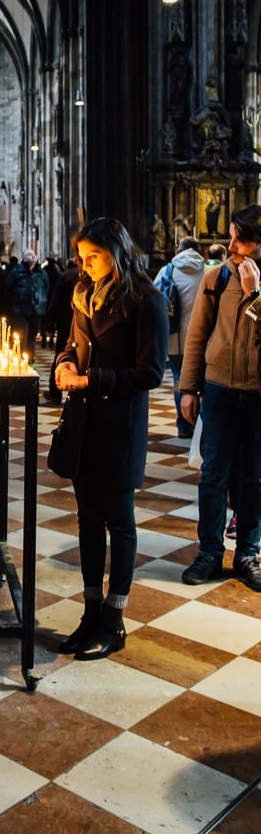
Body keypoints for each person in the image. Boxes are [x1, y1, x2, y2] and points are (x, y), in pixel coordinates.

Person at [54, 217, 168, 660]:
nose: (86, 265)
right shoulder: (82, 296)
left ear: (116, 252)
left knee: (118, 521)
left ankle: (114, 618)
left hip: (119, 426)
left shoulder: (147, 300)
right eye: (82, 258)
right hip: (84, 425)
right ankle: (90, 611)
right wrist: (64, 366)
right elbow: (70, 345)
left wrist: (91, 380)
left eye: (94, 256)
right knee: (86, 520)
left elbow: (150, 373)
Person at [178, 204, 261, 592]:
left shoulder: (248, 281)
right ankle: (210, 551)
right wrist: (188, 388)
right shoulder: (217, 277)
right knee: (213, 474)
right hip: (220, 388)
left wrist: (254, 296)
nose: (231, 246)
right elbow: (197, 337)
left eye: (240, 240)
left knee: (254, 477)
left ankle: (248, 551)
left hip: (258, 393)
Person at [153, 236, 205, 438]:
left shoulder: (168, 270)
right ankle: (198, 422)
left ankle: (183, 425)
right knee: (200, 381)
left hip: (175, 336)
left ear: (179, 249)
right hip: (200, 337)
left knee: (179, 379)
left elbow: (155, 299)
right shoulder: (208, 271)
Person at [42, 258, 80, 404]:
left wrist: (49, 324)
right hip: (71, 323)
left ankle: (55, 392)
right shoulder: (71, 276)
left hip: (67, 324)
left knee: (61, 355)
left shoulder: (67, 276)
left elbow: (55, 302)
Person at [0, 248, 49, 352]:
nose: (31, 257)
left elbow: (46, 287)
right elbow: (8, 290)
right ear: (23, 258)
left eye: (32, 255)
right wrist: (7, 308)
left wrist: (42, 301)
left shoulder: (41, 272)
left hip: (37, 309)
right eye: (28, 255)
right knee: (21, 334)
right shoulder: (16, 272)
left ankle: (29, 360)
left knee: (32, 334)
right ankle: (20, 359)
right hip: (19, 310)